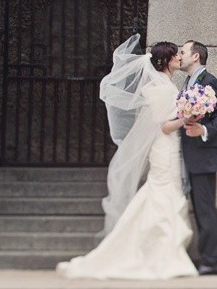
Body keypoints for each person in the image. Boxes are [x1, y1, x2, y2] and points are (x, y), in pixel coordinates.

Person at [56, 37, 197, 281]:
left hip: (170, 148)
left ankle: (163, 252)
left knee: (163, 195)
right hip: (165, 148)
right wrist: (186, 118)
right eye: (175, 55)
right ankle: (161, 256)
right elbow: (163, 126)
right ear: (166, 60)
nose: (179, 58)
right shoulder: (160, 88)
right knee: (163, 194)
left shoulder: (165, 85)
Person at [179, 40, 217, 275]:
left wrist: (203, 130)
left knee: (204, 209)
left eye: (183, 52)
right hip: (192, 155)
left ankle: (210, 260)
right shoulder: (187, 81)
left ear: (196, 56)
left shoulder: (209, 81)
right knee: (202, 209)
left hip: (204, 155)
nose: (180, 56)